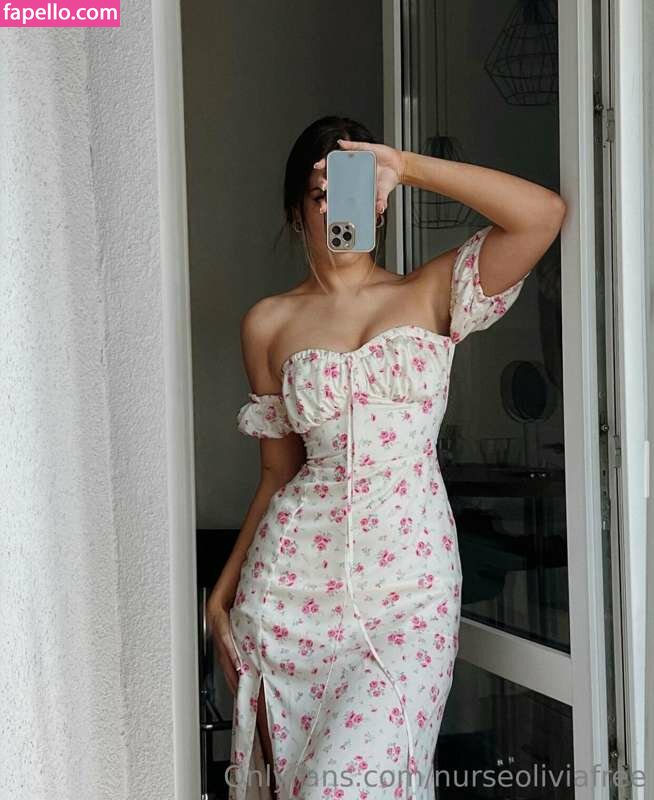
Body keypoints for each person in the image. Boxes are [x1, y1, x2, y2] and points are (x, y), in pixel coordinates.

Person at [208, 115, 566, 800]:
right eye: (322, 193)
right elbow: (278, 473)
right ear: (295, 210)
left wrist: (403, 165)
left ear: (378, 203)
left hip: (410, 593)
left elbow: (541, 216)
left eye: (354, 190)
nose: (339, 208)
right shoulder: (268, 322)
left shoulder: (429, 291)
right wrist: (221, 596)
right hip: (290, 597)